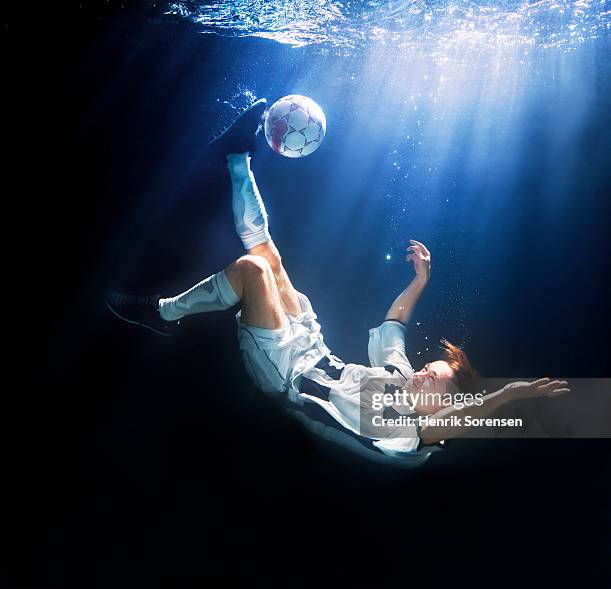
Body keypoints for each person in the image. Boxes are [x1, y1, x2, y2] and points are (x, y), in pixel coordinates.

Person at [107, 99, 570, 467]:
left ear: (443, 405)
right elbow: (396, 322)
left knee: (253, 271)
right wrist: (422, 280)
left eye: (435, 379)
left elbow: (452, 422)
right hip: (310, 342)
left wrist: (507, 396)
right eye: (430, 367)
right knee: (267, 255)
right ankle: (235, 157)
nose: (424, 371)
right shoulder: (397, 377)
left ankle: (164, 314)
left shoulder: (406, 435)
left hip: (286, 376)